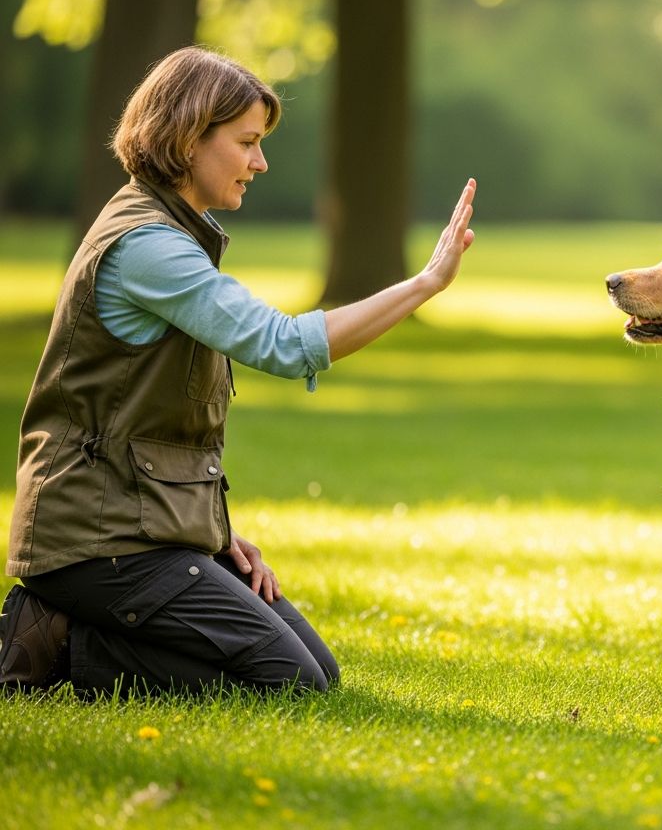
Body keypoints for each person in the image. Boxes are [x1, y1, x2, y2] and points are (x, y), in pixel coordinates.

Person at [0, 46, 476, 695]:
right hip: (94, 543)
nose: (260, 161)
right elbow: (283, 344)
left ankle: (74, 633)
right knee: (289, 681)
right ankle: (50, 645)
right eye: (247, 142)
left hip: (138, 530)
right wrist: (424, 283)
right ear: (189, 137)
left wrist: (212, 532)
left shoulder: (168, 230)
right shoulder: (147, 246)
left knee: (319, 672)